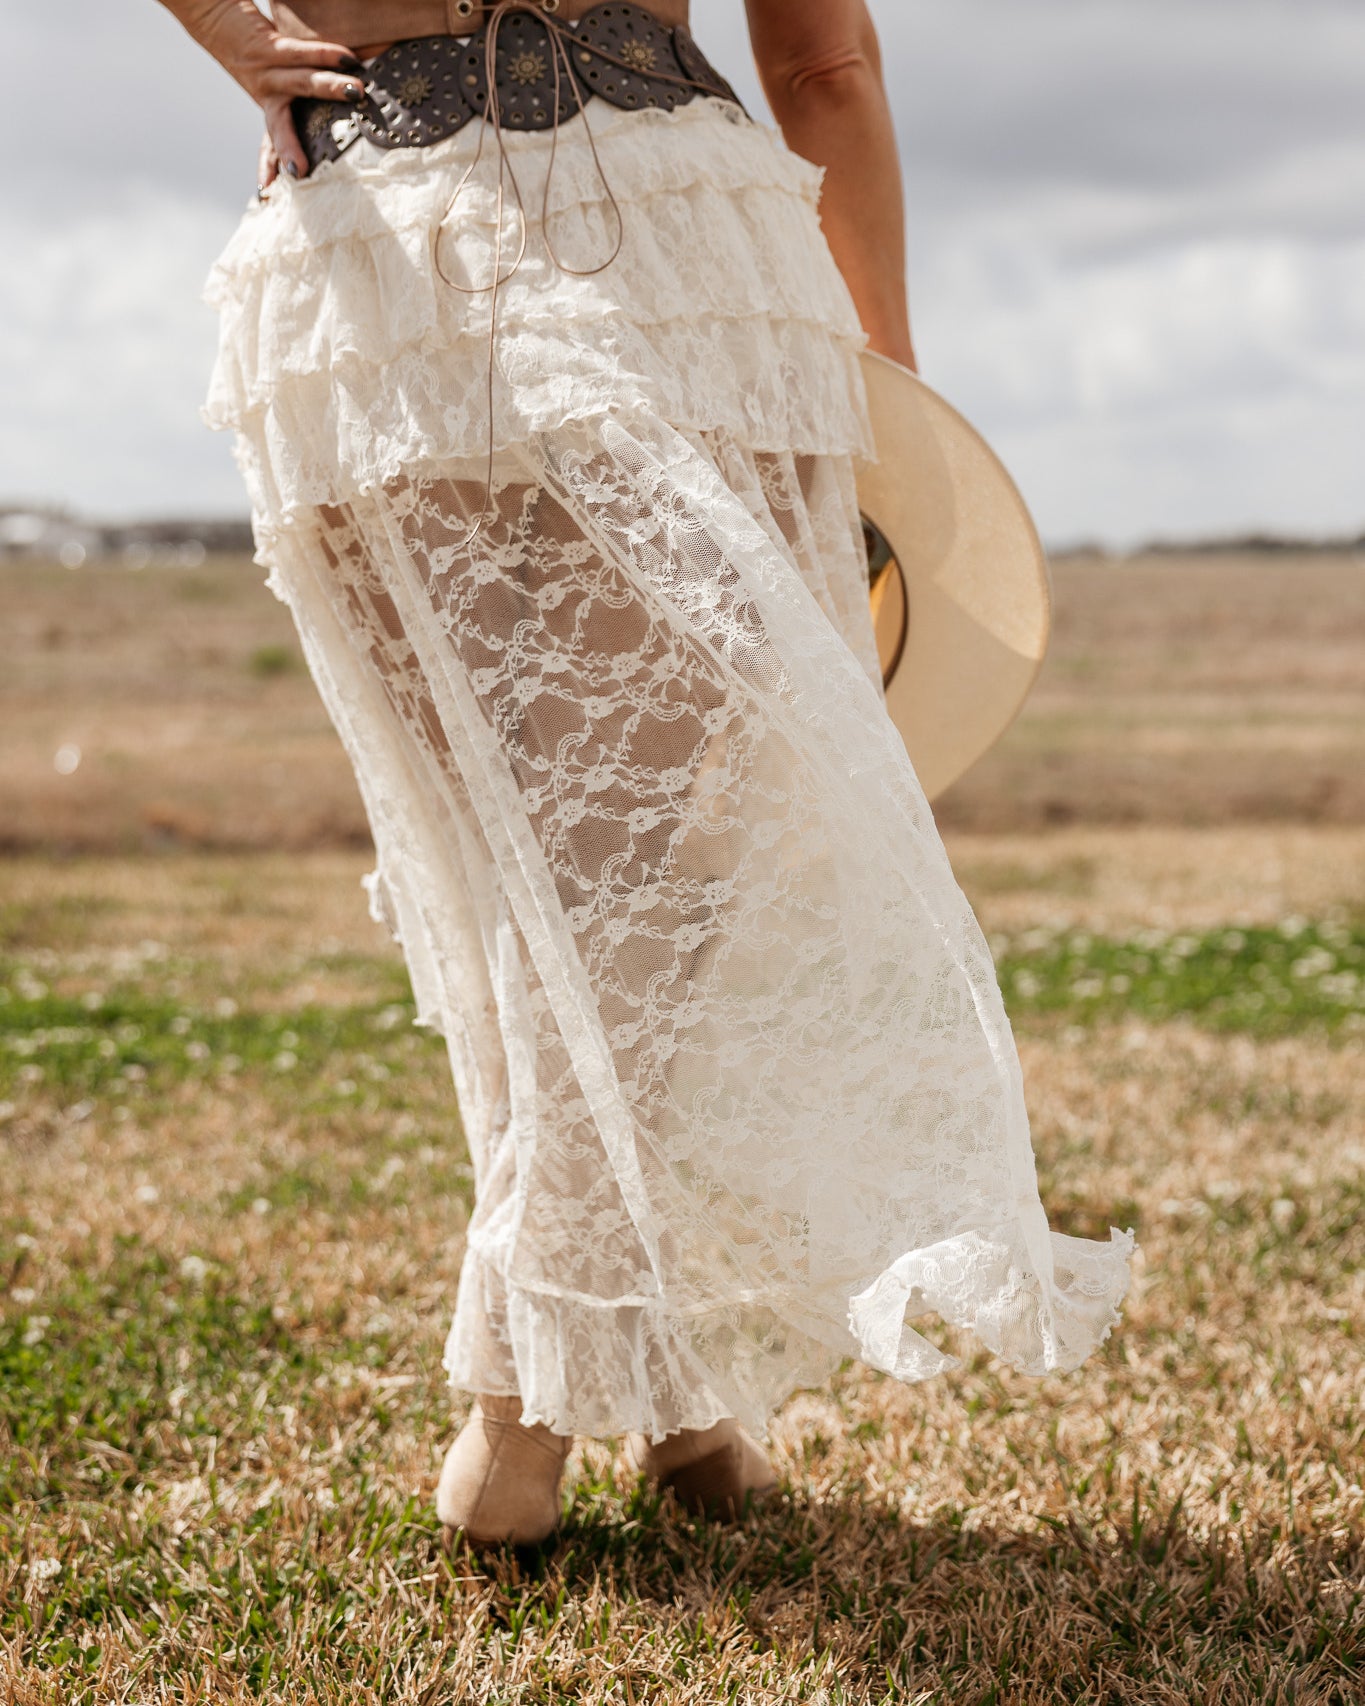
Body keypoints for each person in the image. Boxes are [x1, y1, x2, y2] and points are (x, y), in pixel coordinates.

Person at [160, 0, 1134, 1548]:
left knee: (531, 874)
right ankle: (532, 1405)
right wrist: (885, 381)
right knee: (635, 874)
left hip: (358, 265)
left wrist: (229, 36)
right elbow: (820, 65)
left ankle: (647, 1388)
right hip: (667, 251)